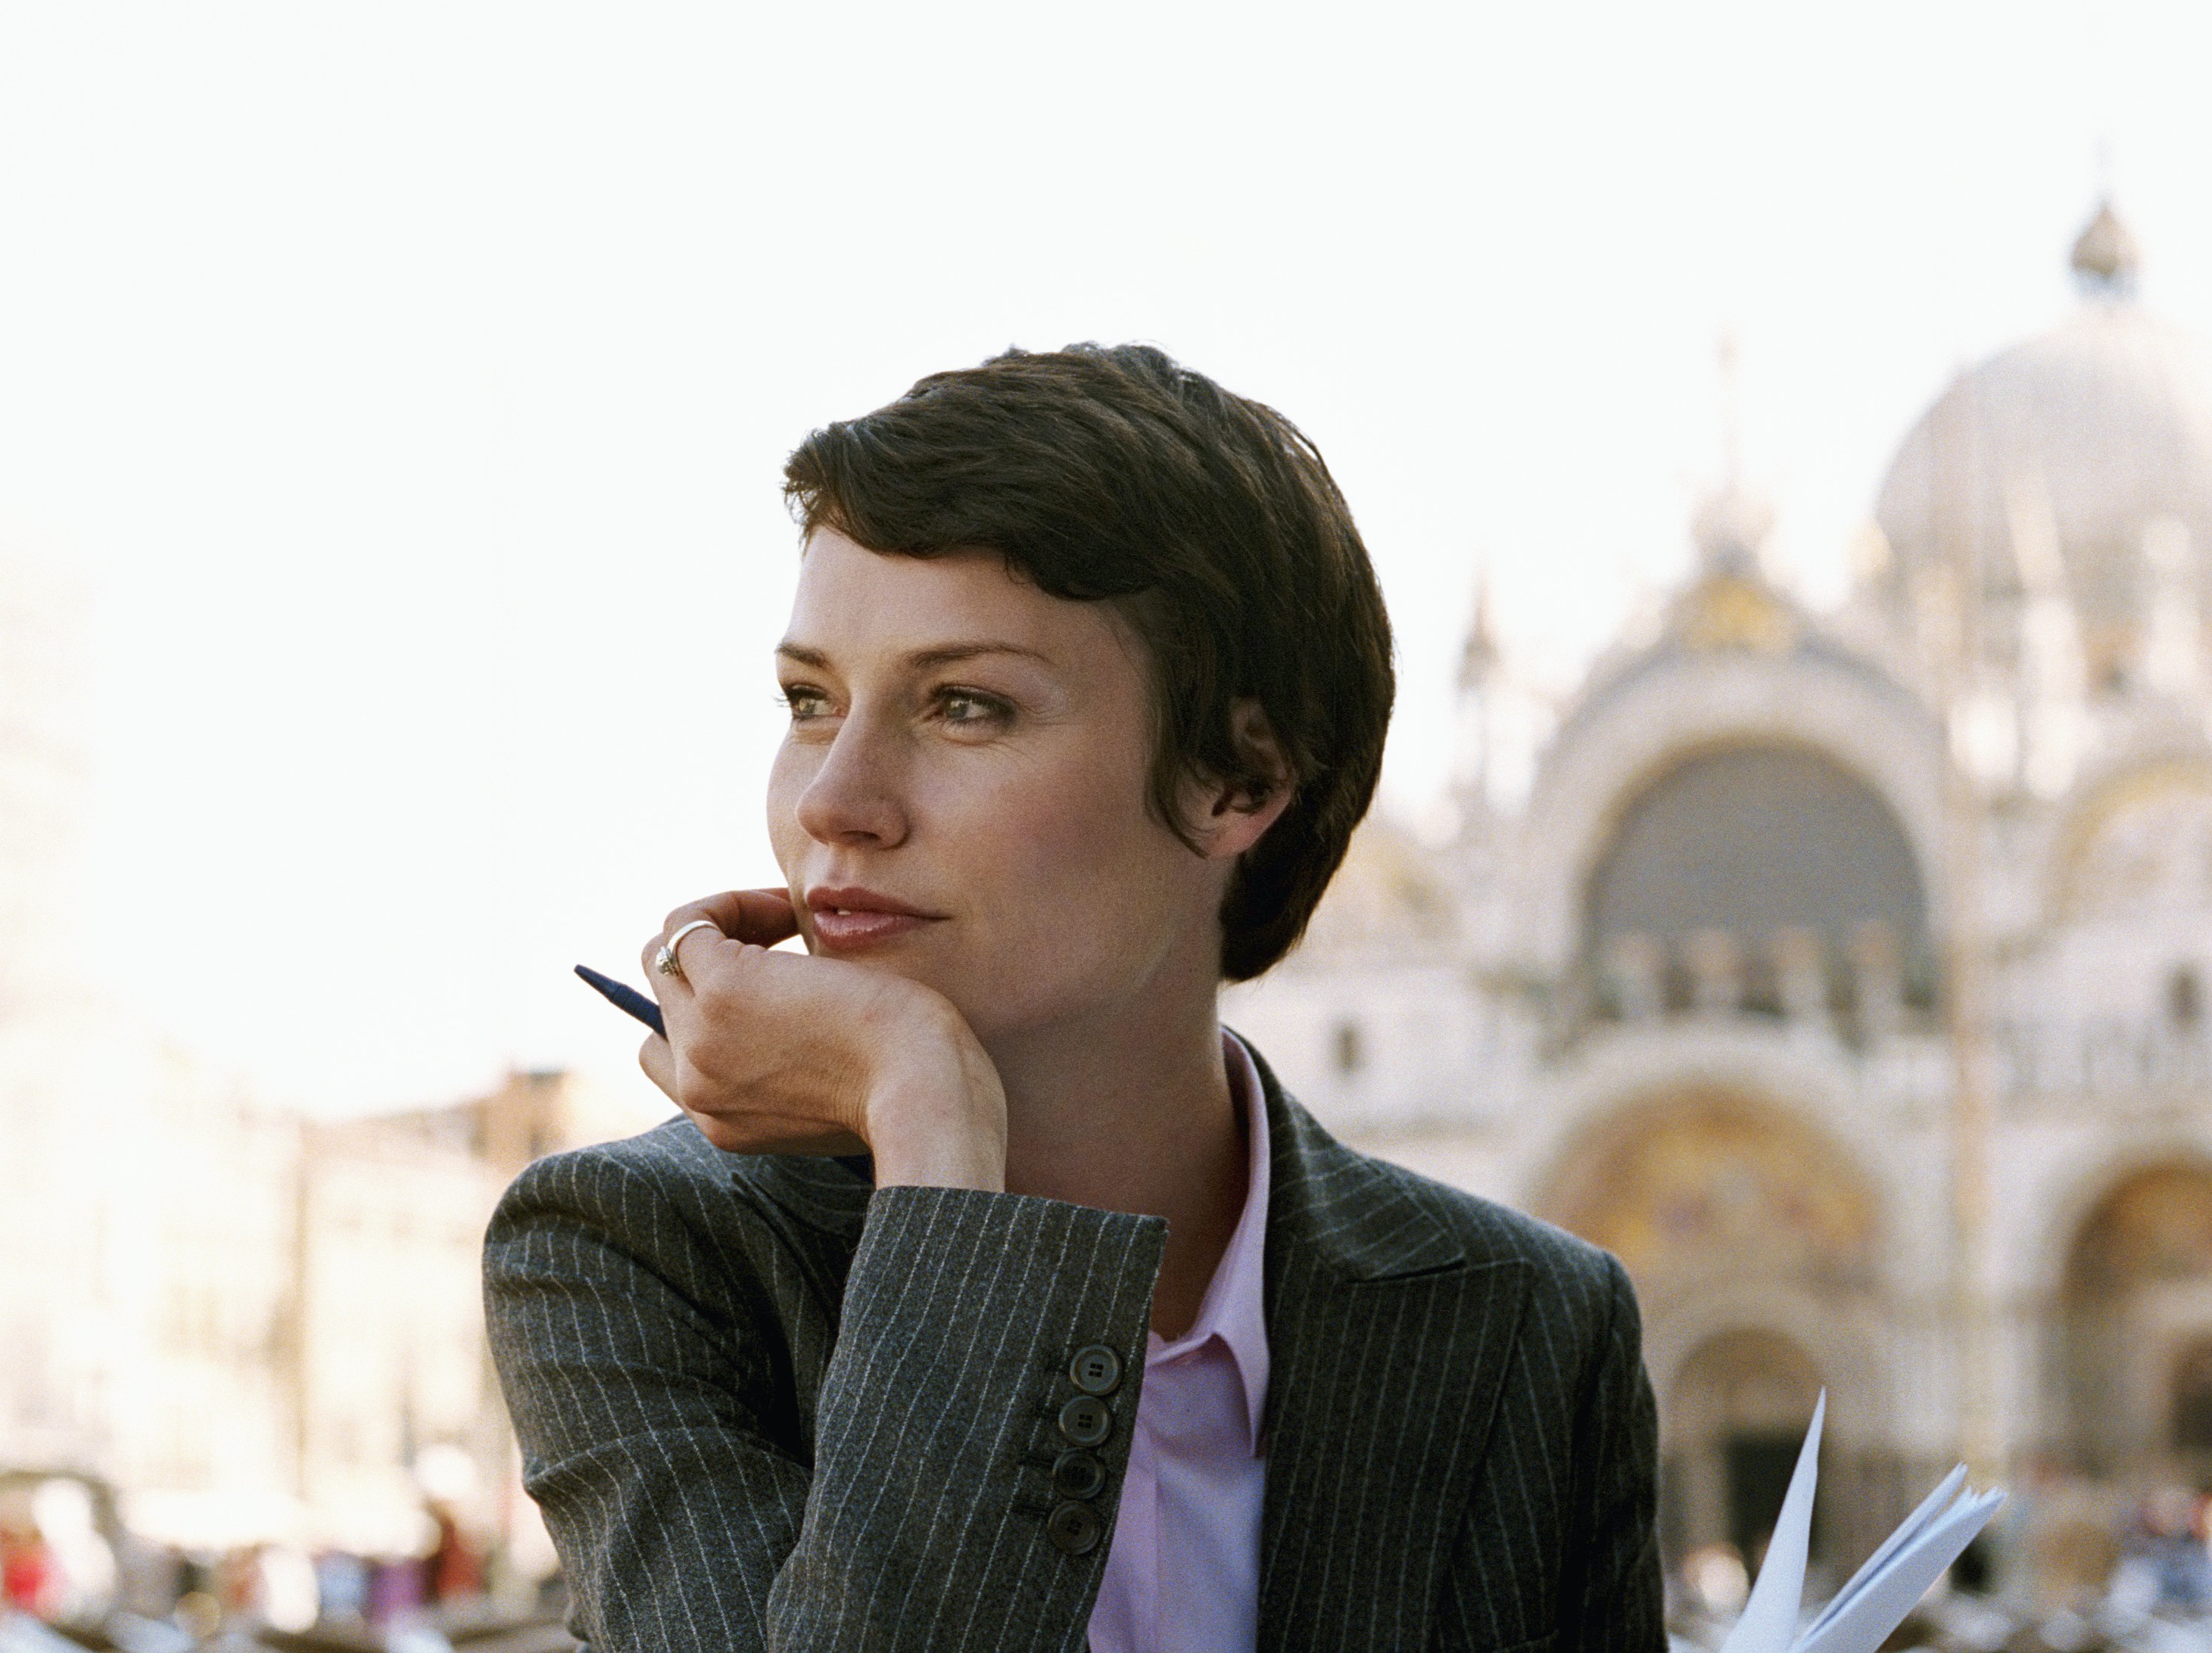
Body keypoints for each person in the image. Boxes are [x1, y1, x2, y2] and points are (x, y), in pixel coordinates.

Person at [484, 344, 1662, 1651]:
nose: (832, 799)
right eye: (808, 700)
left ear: (1237, 776)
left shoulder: (1531, 1328)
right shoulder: (637, 1251)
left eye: (964, 705)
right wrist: (929, 1119)